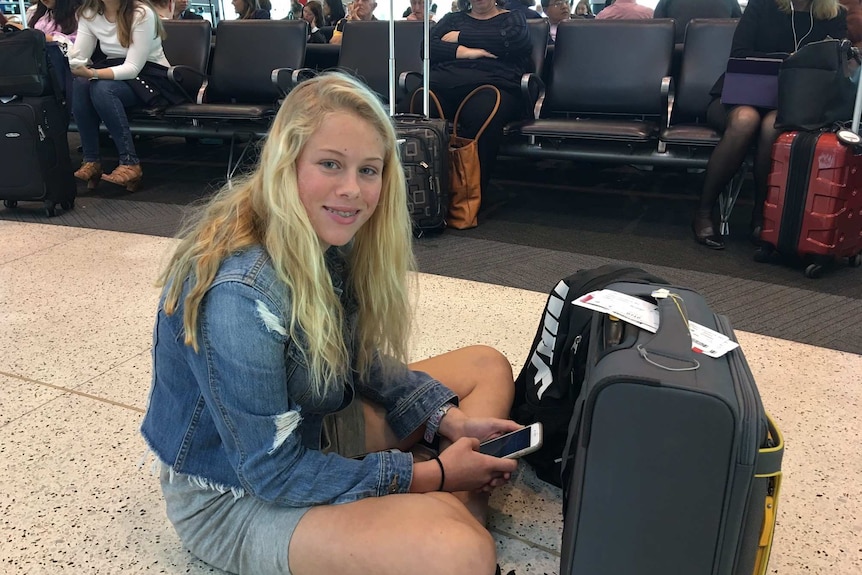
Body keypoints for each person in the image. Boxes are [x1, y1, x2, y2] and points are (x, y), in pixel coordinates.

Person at [140, 72, 521, 575]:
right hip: (236, 496)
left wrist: (445, 421)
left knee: (487, 365)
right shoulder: (238, 293)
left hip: (309, 424)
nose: (353, 190)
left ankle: (449, 506)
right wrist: (434, 474)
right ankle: (457, 509)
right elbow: (271, 475)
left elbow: (359, 360)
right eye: (330, 165)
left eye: (369, 170)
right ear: (285, 162)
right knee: (461, 551)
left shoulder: (321, 234)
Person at [694, 0, 847, 249]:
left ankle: (763, 215)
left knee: (772, 126)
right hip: (739, 95)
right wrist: (789, 61)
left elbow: (834, 68)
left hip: (789, 104)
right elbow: (740, 52)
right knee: (745, 120)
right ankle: (703, 211)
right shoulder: (762, 5)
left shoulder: (835, 15)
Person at [68, 0, 185, 192]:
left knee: (101, 88)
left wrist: (93, 74)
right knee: (80, 85)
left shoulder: (141, 13)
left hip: (150, 77)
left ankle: (130, 163)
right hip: (114, 72)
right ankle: (91, 160)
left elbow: (132, 68)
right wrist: (70, 60)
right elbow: (80, 57)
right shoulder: (89, 13)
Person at [427, 0, 532, 200]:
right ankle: (420, 192)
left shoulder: (512, 19)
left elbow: (513, 40)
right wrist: (466, 52)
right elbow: (428, 47)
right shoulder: (452, 19)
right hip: (444, 85)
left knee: (483, 112)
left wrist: (460, 37)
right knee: (413, 108)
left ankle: (465, 196)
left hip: (492, 86)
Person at [653, 0, 741, 43]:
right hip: (721, 59)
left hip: (677, 61)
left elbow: (657, 32)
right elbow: (740, 29)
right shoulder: (730, 1)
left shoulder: (667, 2)